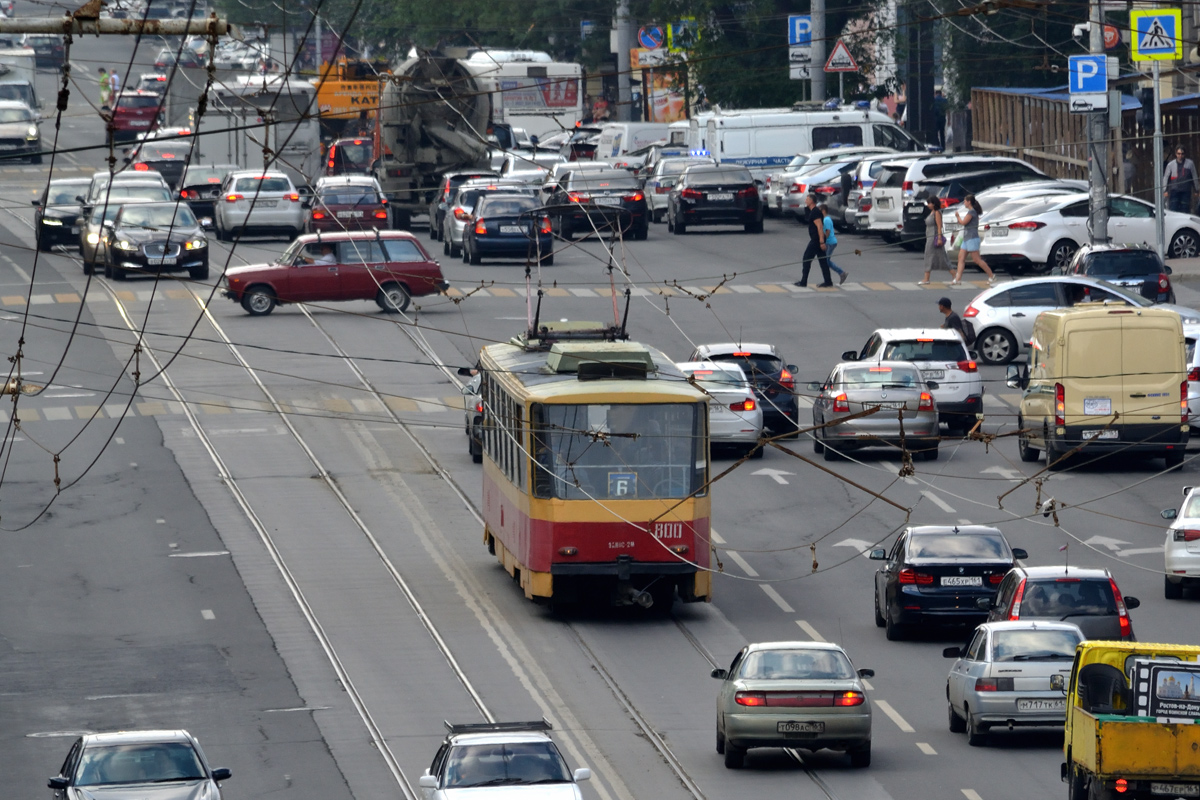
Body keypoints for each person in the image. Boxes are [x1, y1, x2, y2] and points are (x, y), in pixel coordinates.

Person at [952, 194, 995, 285]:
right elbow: (963, 223)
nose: (964, 203)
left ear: (969, 202)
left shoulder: (972, 212)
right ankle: (958, 279)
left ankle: (991, 275)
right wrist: (958, 219)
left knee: (977, 260)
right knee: (961, 258)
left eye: (965, 201)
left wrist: (958, 216)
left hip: (972, 238)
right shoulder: (971, 212)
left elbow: (964, 222)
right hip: (966, 238)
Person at [795, 193, 832, 287]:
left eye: (807, 199)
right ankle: (828, 281)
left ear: (811, 201)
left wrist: (821, 242)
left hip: (816, 240)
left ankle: (803, 282)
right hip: (818, 239)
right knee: (823, 261)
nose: (805, 201)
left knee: (806, 258)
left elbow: (819, 226)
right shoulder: (813, 211)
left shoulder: (815, 212)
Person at [918, 196, 950, 285]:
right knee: (937, 257)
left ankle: (926, 278)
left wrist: (939, 238)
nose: (928, 205)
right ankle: (926, 278)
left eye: (929, 203)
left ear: (934, 203)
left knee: (931, 256)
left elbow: (939, 226)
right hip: (929, 236)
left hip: (934, 238)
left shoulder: (937, 213)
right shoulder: (932, 212)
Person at [818, 203, 848, 284]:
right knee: (826, 261)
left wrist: (823, 242)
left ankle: (841, 273)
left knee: (826, 261)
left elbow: (827, 231)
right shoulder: (825, 219)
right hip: (830, 242)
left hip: (830, 243)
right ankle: (839, 274)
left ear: (823, 211)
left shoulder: (826, 219)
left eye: (819, 210)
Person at [1164, 147, 1198, 214]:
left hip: (1186, 191)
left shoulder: (1190, 164)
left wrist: (1196, 189)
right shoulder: (1171, 165)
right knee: (1173, 209)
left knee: (1185, 210)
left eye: (1182, 154)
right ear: (1176, 154)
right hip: (1174, 191)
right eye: (1178, 154)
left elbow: (1194, 177)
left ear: (1184, 154)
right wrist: (1165, 190)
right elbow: (1166, 178)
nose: (1180, 156)